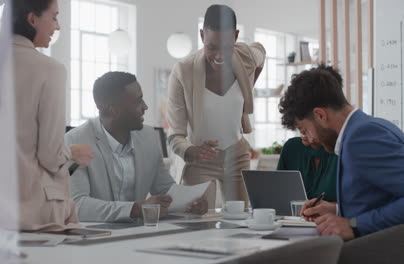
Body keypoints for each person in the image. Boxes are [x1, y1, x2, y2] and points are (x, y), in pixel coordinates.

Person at [0, 0, 93, 231]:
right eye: (54, 17)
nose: (57, 27)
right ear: (32, 19)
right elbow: (50, 156)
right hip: (32, 213)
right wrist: (72, 152)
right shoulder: (51, 69)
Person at [279, 64, 404, 240]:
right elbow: (381, 197)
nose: (309, 140)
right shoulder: (368, 128)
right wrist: (337, 209)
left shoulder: (360, 138)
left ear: (320, 115)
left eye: (304, 129)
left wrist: (354, 224)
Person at [65, 72, 208, 222]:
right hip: (94, 236)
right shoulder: (75, 141)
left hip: (138, 234)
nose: (145, 107)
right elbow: (77, 205)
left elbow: (165, 190)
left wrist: (190, 203)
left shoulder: (149, 137)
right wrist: (136, 209)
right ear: (114, 111)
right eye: (138, 101)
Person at [166, 4, 265, 208]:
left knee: (239, 223)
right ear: (202, 36)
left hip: (237, 154)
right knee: (199, 224)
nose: (219, 56)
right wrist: (192, 152)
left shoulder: (246, 56)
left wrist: (247, 85)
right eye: (212, 47)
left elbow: (261, 53)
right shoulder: (183, 71)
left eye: (227, 47)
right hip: (200, 159)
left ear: (236, 36)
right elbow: (175, 135)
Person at [277, 132, 337, 202]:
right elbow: (278, 192)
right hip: (291, 213)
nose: (301, 131)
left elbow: (350, 203)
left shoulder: (341, 149)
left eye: (309, 120)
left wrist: (333, 208)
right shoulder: (292, 147)